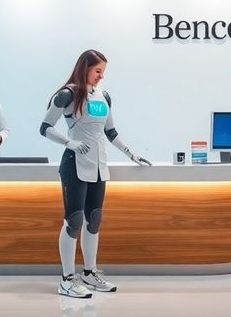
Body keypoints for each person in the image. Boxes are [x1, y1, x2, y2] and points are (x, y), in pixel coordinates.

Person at [40, 49, 152, 298]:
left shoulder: (104, 96)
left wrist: (131, 153)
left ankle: (89, 273)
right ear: (85, 68)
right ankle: (67, 279)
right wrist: (68, 142)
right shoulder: (67, 94)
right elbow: (45, 127)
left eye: (103, 72)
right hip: (74, 163)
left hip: (100, 166)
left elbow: (110, 132)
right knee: (74, 220)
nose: (101, 76)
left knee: (95, 218)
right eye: (98, 71)